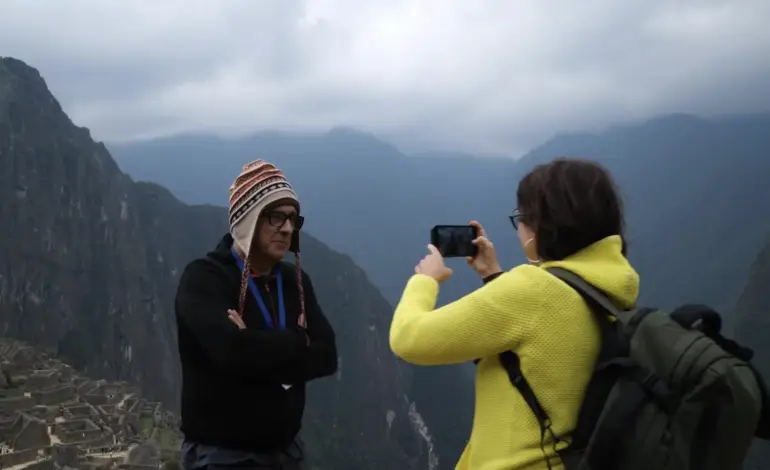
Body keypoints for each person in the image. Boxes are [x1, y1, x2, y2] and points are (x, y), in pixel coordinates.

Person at [389, 158, 637, 470]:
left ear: (542, 225)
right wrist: (493, 276)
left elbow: (408, 338)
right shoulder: (610, 286)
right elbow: (538, 339)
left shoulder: (533, 291)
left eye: (521, 217)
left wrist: (424, 281)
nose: (519, 227)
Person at [175, 160, 338, 470]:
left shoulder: (294, 282)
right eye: (276, 217)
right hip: (223, 456)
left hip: (288, 452)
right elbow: (229, 351)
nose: (288, 228)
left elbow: (327, 355)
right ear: (248, 220)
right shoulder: (204, 279)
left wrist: (253, 341)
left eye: (292, 219)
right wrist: (298, 340)